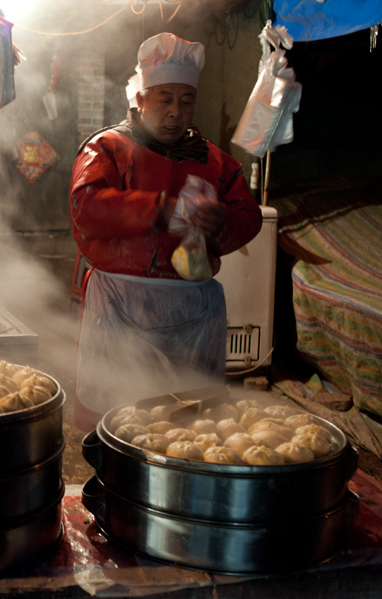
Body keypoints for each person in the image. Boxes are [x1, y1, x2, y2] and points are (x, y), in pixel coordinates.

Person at [68, 32, 263, 431]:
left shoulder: (216, 162)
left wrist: (222, 222)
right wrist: (158, 207)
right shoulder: (106, 149)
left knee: (190, 423)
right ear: (140, 99)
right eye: (164, 99)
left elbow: (250, 216)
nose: (176, 111)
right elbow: (85, 208)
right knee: (116, 420)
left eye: (186, 100)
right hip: (121, 305)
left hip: (193, 311)